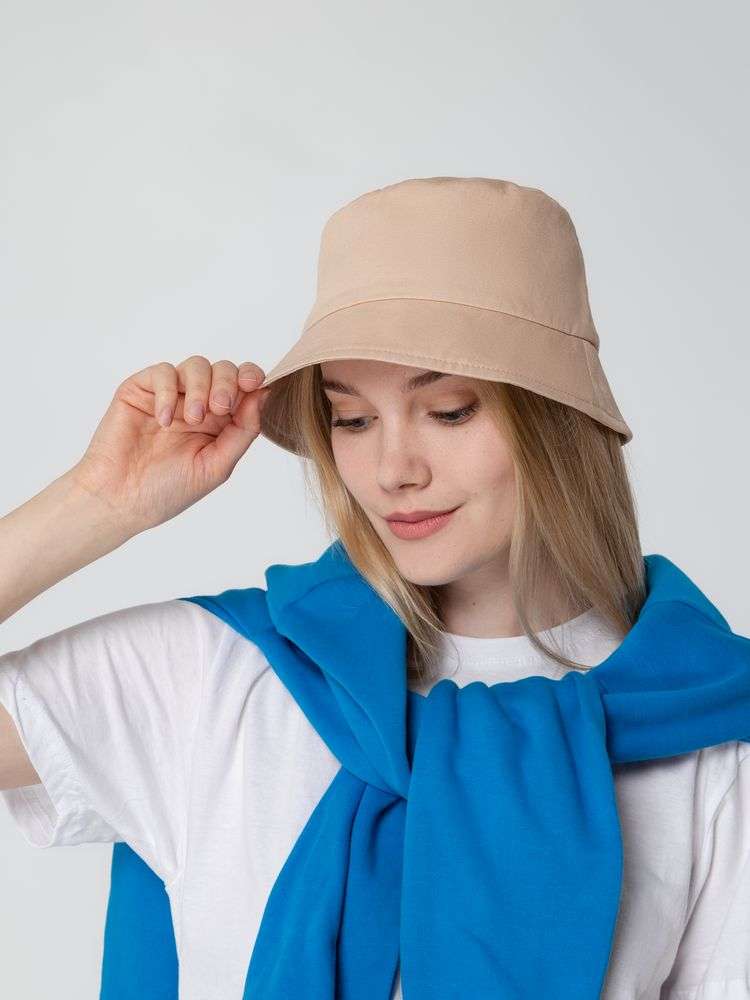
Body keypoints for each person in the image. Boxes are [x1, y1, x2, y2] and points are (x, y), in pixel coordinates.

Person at [1, 177, 748, 999]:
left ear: (559, 420)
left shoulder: (712, 734)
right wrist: (98, 501)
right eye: (352, 419)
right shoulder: (216, 673)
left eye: (450, 411)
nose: (394, 470)